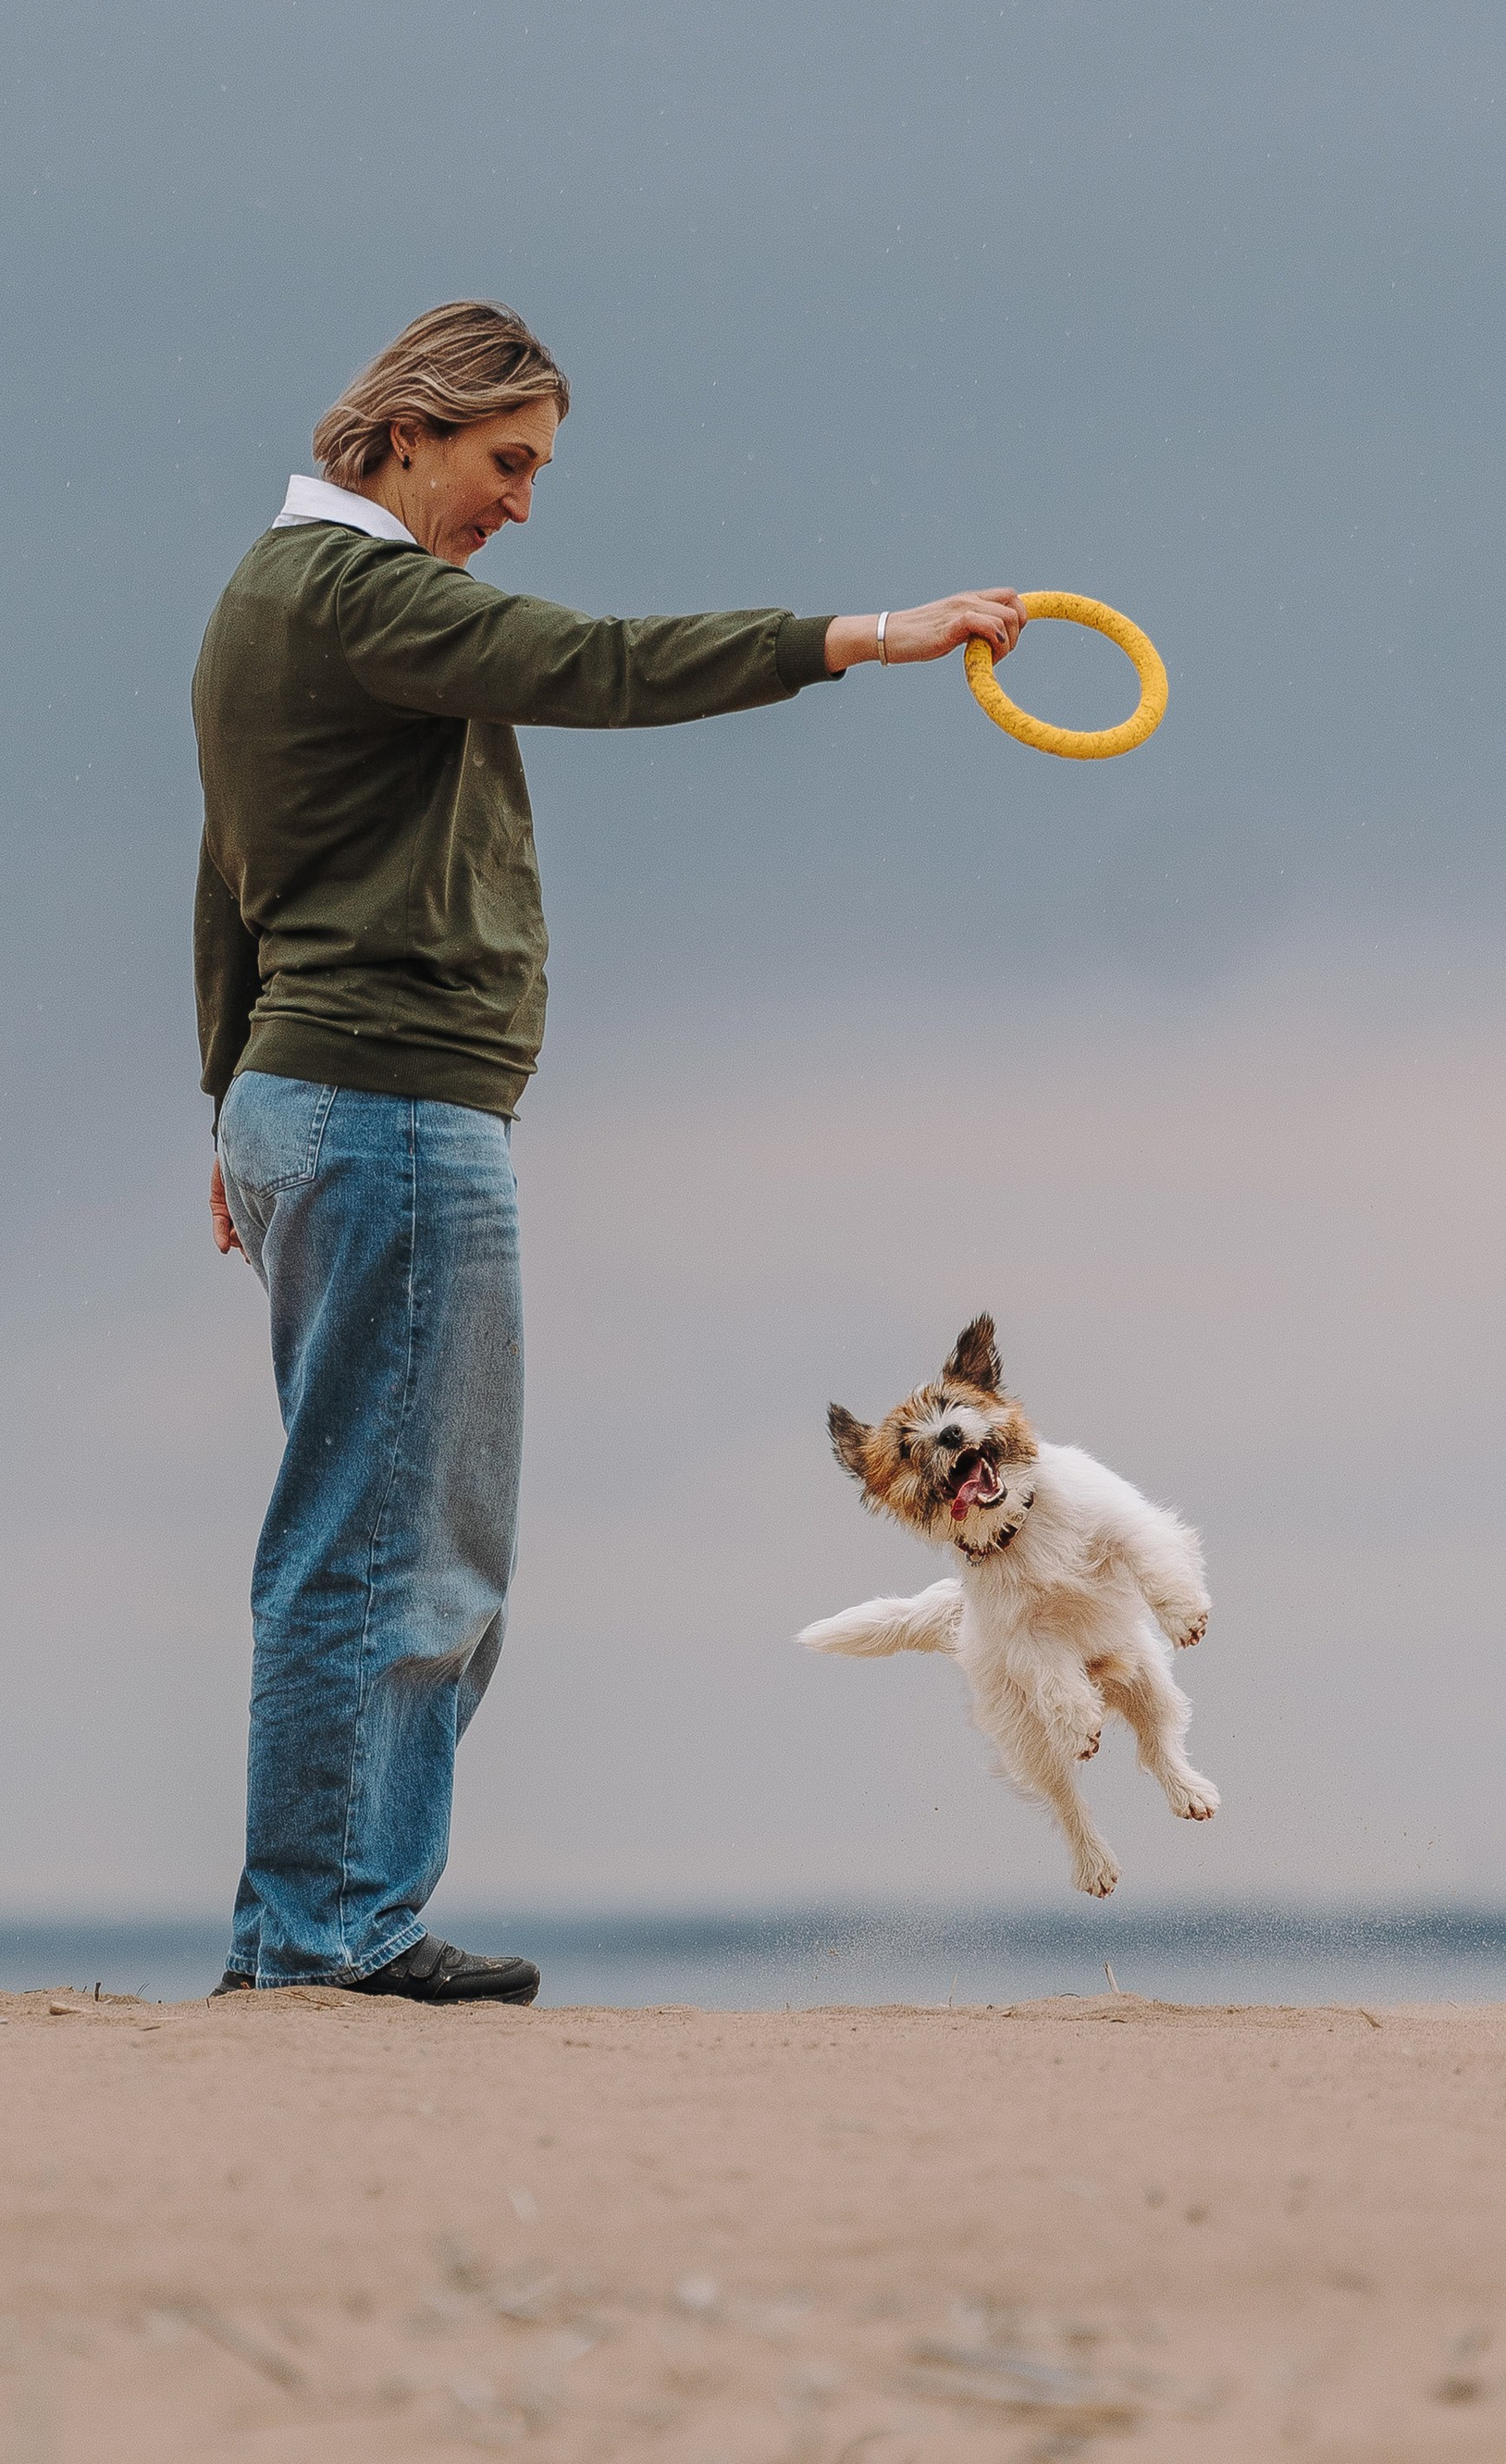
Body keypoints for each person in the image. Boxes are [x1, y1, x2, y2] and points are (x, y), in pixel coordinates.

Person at [193, 299, 1023, 2004]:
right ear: (407, 431)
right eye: (506, 464)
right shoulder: (356, 593)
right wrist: (869, 634)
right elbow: (600, 665)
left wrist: (229, 1098)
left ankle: (312, 1924)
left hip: (320, 1099)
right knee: (397, 1544)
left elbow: (231, 870)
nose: (519, 503)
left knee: (375, 1528)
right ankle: (330, 1931)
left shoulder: (265, 602)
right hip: (393, 1109)